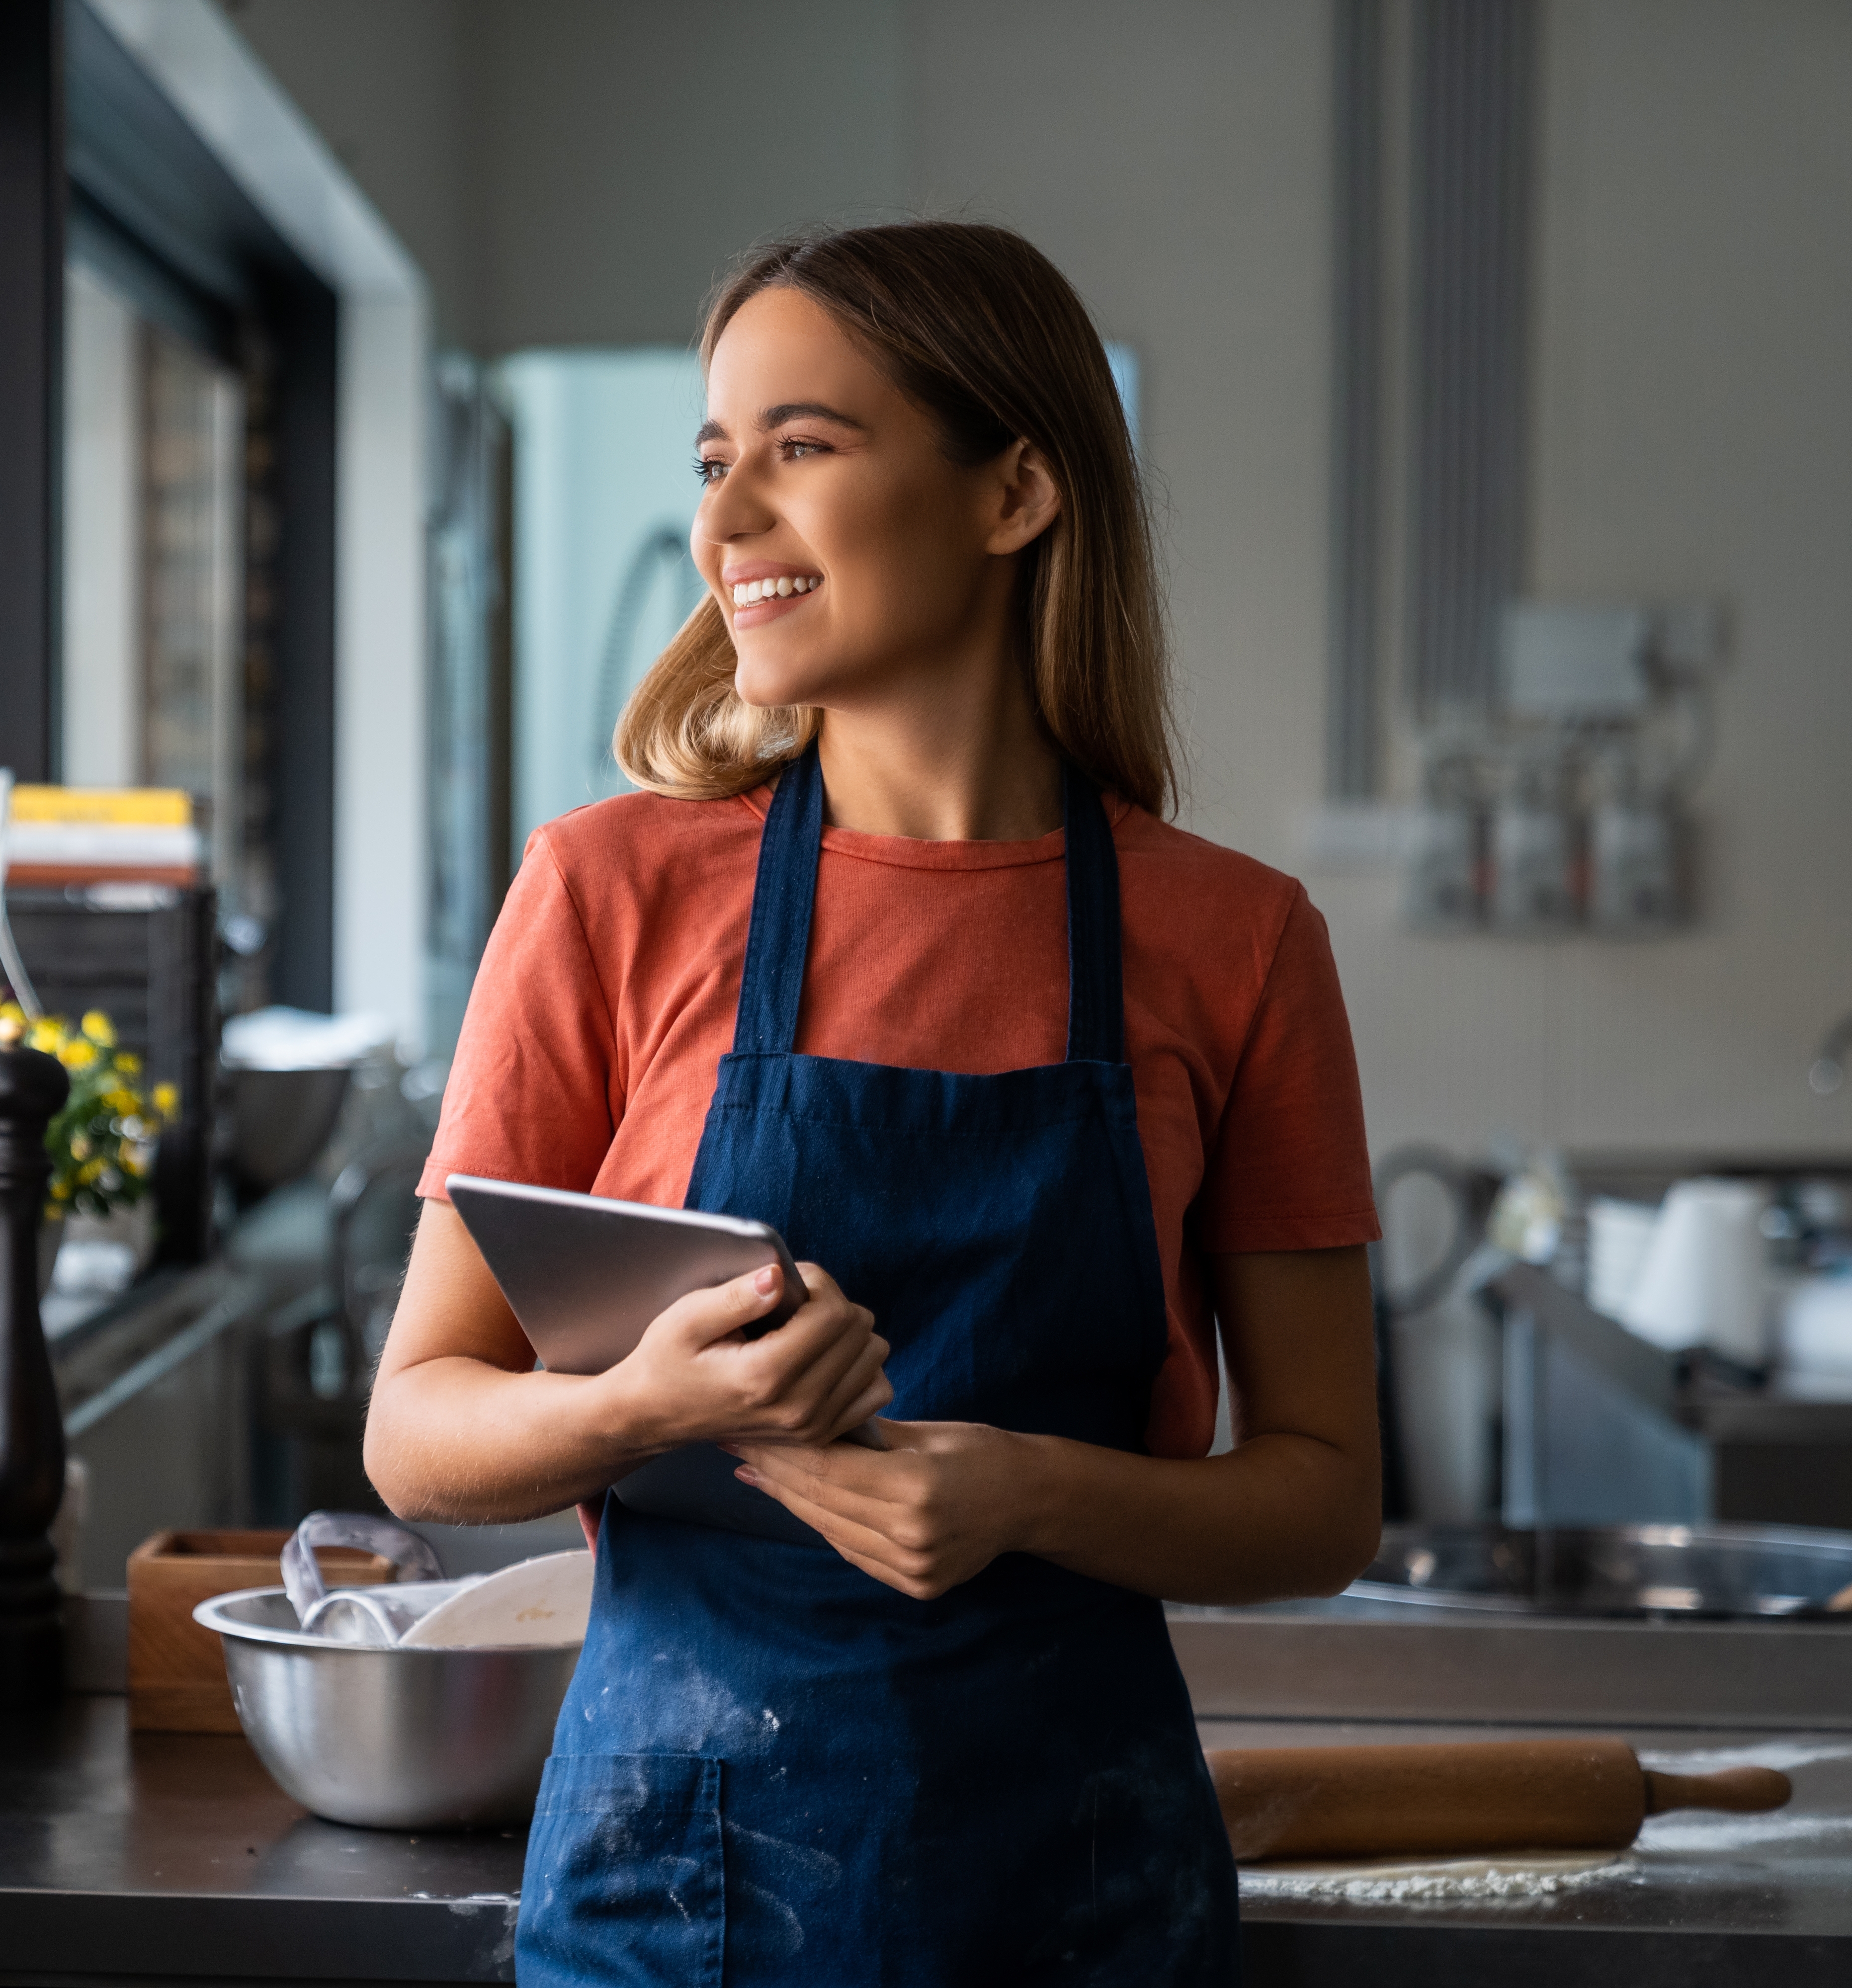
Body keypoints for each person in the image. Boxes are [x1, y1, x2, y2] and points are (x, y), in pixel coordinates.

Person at [364, 222, 1385, 1984]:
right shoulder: (610, 893)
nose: (726, 517)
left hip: (1078, 1887)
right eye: (715, 458)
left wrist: (1025, 1494)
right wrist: (639, 1411)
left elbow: (1323, 1499)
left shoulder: (1237, 941)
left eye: (802, 446)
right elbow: (417, 1429)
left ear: (1015, 493)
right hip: (675, 1902)